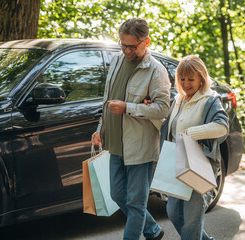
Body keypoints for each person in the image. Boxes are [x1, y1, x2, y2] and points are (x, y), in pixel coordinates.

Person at [91, 18, 170, 240]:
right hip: (115, 143)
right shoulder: (116, 61)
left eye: (131, 46)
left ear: (146, 42)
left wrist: (129, 107)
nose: (126, 50)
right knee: (117, 195)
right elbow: (108, 100)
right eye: (122, 44)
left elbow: (163, 109)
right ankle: (152, 230)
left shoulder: (156, 70)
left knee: (136, 202)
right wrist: (100, 129)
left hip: (140, 145)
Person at [159, 55, 229, 240]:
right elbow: (168, 128)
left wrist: (192, 133)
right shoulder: (178, 100)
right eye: (182, 79)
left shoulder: (210, 100)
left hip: (199, 164)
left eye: (191, 79)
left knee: (191, 218)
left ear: (201, 78)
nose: (186, 83)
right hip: (176, 164)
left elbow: (222, 127)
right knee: (174, 213)